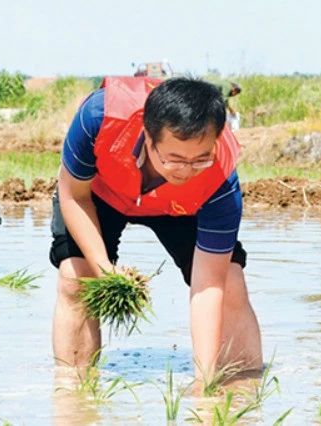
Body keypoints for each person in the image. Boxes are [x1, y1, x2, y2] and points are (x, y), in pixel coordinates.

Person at [49, 77, 262, 382]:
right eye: (174, 159)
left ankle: (242, 388)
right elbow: (73, 196)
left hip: (185, 205)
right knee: (76, 278)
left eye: (200, 159)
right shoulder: (98, 119)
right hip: (99, 194)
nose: (187, 169)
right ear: (148, 138)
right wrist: (104, 270)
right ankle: (74, 393)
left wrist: (204, 384)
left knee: (229, 282)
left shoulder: (220, 179)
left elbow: (208, 288)